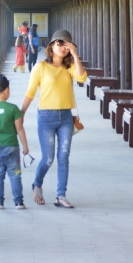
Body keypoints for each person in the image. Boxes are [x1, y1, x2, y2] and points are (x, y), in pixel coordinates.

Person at [20, 29, 87, 208]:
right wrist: (21, 113)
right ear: (51, 46)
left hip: (65, 116)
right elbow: (30, 92)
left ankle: (61, 195)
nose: (62, 48)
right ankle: (37, 183)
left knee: (64, 157)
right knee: (48, 158)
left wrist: (75, 54)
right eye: (59, 44)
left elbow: (82, 76)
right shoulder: (41, 66)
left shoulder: (69, 67)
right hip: (46, 117)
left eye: (67, 45)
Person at [0, 74, 30, 210]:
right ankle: (18, 202)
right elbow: (20, 128)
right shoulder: (13, 109)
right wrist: (25, 146)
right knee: (15, 175)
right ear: (7, 91)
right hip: (11, 148)